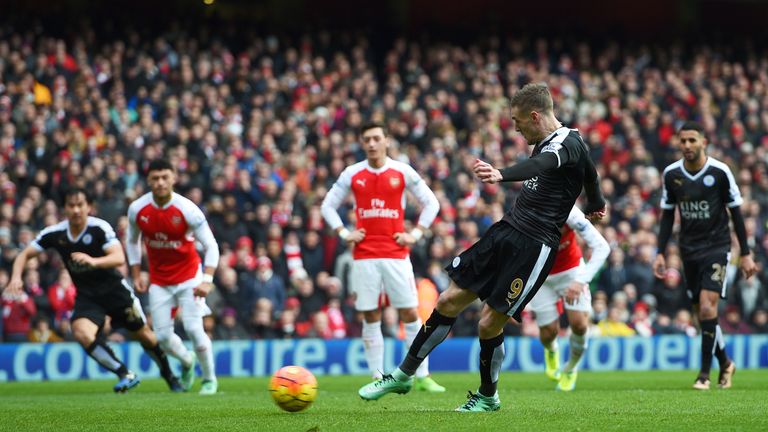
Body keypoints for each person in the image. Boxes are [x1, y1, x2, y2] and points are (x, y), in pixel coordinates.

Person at [358, 82, 606, 411]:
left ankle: (488, 396)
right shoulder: (561, 143)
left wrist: (501, 174)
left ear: (535, 116)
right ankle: (403, 374)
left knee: (489, 322)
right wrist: (597, 203)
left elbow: (542, 165)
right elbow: (590, 173)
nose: (515, 128)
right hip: (506, 229)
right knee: (448, 299)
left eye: (518, 122)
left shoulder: (565, 144)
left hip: (534, 246)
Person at [3, 187, 182, 392]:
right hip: (88, 296)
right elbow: (24, 254)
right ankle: (124, 373)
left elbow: (118, 257)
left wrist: (92, 261)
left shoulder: (99, 228)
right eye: (72, 205)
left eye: (81, 205)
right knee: (80, 332)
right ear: (65, 209)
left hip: (115, 291)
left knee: (145, 336)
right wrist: (16, 277)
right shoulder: (55, 233)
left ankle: (169, 374)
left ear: (89, 207)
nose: (76, 210)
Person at [321, 122, 445, 392]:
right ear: (362, 142)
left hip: (396, 253)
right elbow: (327, 205)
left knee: (410, 313)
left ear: (386, 140)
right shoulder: (353, 173)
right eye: (367, 139)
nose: (372, 144)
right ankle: (377, 376)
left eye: (377, 138)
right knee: (370, 314)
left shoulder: (401, 171)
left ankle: (421, 375)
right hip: (364, 255)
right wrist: (344, 232)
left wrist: (416, 234)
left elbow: (431, 202)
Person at [653, 121, 757, 391]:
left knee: (708, 307)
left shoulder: (720, 172)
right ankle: (726, 362)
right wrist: (660, 252)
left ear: (703, 142)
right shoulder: (671, 174)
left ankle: (703, 374)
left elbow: (736, 213)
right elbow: (667, 215)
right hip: (688, 249)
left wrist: (745, 254)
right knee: (701, 314)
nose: (687, 146)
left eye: (692, 140)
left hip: (717, 247)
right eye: (683, 141)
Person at [126, 159, 221, 395]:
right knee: (163, 338)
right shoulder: (138, 209)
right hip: (159, 281)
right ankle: (187, 362)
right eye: (155, 178)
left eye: (164, 177)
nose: (160, 183)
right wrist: (137, 272)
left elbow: (211, 246)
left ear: (173, 178)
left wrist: (207, 280)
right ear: (148, 180)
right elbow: (131, 241)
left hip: (190, 278)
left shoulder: (187, 209)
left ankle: (209, 379)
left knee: (193, 328)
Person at [528, 206, 610, 391]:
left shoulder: (570, 213)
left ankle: (570, 368)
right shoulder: (527, 210)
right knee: (548, 333)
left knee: (580, 325)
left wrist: (581, 280)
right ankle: (552, 350)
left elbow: (602, 247)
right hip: (541, 275)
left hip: (571, 272)